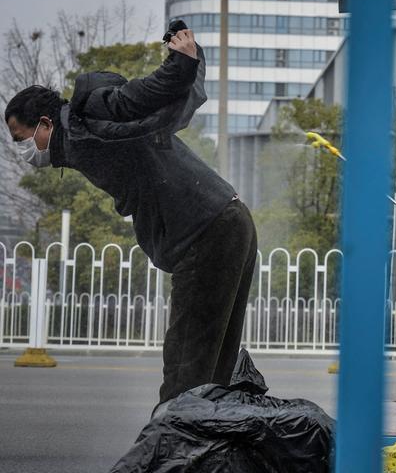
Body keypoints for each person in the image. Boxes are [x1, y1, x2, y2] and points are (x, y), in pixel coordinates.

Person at [4, 23, 258, 406]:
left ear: (44, 123)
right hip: (224, 221)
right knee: (209, 372)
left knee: (186, 373)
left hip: (208, 231)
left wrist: (181, 65)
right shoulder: (79, 139)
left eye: (21, 138)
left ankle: (173, 457)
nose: (25, 150)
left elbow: (136, 98)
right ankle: (205, 452)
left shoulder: (87, 114)